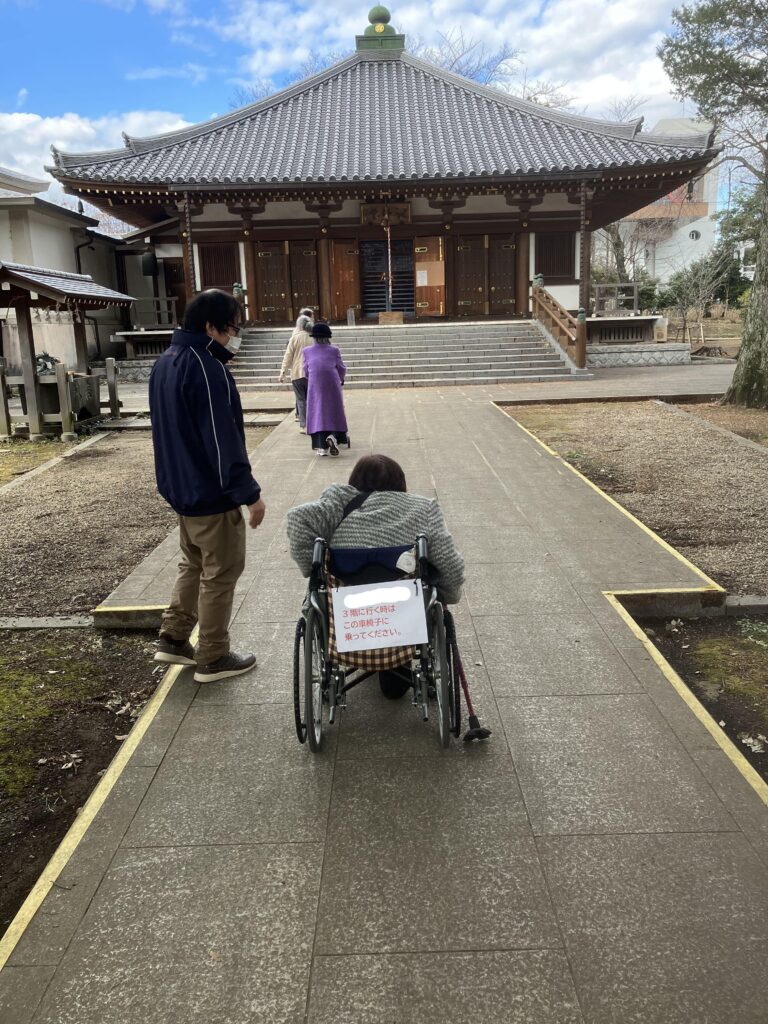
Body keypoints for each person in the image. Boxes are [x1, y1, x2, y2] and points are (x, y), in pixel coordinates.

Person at [149, 288, 266, 683]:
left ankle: (173, 636)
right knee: (222, 569)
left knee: (193, 561)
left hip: (181, 486)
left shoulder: (165, 361)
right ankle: (213, 655)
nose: (234, 335)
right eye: (231, 327)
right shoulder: (205, 366)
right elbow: (221, 438)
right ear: (210, 327)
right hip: (210, 490)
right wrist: (248, 493)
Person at [286, 454, 464, 697]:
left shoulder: (338, 503)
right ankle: (390, 665)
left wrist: (313, 569)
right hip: (402, 622)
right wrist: (448, 594)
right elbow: (449, 563)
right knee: (394, 691)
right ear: (401, 483)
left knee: (329, 600)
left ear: (354, 482)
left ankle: (363, 656)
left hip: (345, 619)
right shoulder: (422, 508)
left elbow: (297, 519)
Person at [303, 321, 349, 456]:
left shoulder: (307, 351)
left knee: (317, 412)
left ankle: (321, 447)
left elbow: (305, 370)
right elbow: (341, 367)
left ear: (314, 337)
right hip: (332, 385)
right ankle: (333, 437)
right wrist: (341, 379)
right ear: (328, 337)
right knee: (333, 411)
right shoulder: (334, 350)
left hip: (315, 385)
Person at [277, 308, 314, 432]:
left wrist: (282, 372)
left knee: (300, 400)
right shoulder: (313, 337)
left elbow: (288, 356)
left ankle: (303, 426)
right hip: (311, 373)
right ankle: (313, 423)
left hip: (297, 373)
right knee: (311, 399)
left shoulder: (294, 338)